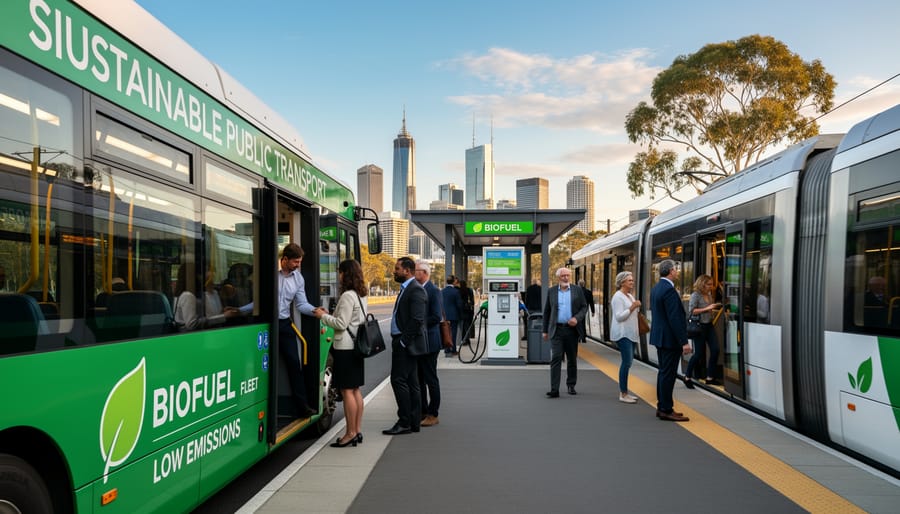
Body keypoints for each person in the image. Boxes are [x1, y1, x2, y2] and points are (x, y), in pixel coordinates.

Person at [232, 244, 316, 418]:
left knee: (294, 364)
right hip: (265, 324)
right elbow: (258, 303)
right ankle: (246, 407)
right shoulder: (270, 275)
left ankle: (302, 406)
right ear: (284, 259)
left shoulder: (298, 279)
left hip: (284, 324)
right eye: (296, 261)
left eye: (299, 261)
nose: (298, 265)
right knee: (257, 365)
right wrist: (239, 311)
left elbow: (301, 304)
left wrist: (315, 310)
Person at [314, 260, 367, 448]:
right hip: (357, 348)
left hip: (345, 349)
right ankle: (357, 430)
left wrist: (322, 316)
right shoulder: (361, 294)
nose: (339, 276)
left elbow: (341, 324)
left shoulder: (347, 296)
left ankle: (350, 433)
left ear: (346, 273)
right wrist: (330, 314)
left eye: (340, 272)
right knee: (355, 390)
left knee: (346, 392)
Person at [383, 256, 427, 435]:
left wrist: (402, 342)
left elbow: (417, 320)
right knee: (412, 382)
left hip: (406, 343)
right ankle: (413, 421)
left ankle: (405, 421)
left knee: (398, 380)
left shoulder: (415, 290)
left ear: (407, 271)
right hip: (405, 342)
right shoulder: (407, 288)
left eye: (397, 269)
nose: (394, 271)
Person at [649, 259, 691, 422]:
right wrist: (684, 342)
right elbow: (675, 318)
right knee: (668, 374)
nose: (677, 272)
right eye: (675, 269)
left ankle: (663, 407)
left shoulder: (657, 288)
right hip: (669, 340)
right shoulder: (669, 290)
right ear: (671, 271)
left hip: (661, 338)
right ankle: (666, 409)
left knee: (663, 373)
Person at [542, 267, 588, 397]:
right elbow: (547, 311)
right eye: (563, 276)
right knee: (556, 357)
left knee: (572, 359)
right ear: (558, 277)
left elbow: (584, 307)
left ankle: (571, 385)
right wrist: (545, 330)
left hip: (571, 330)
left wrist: (576, 318)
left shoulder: (577, 290)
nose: (566, 278)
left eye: (568, 275)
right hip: (556, 330)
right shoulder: (551, 291)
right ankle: (554, 389)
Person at [414, 261, 443, 427]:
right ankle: (423, 411)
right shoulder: (418, 289)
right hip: (420, 341)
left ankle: (433, 413)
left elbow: (436, 316)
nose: (413, 272)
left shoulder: (434, 291)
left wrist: (417, 322)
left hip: (430, 342)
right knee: (419, 378)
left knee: (430, 378)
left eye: (416, 270)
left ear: (424, 273)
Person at [684, 274, 723, 388]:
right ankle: (687, 376)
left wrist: (715, 307)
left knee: (715, 350)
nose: (711, 286)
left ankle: (710, 377)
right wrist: (708, 308)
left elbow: (709, 309)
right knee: (698, 354)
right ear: (702, 284)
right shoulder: (695, 295)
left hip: (709, 325)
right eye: (709, 284)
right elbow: (692, 311)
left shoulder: (709, 295)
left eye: (712, 284)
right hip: (699, 327)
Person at [610, 271, 640, 404]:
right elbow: (619, 317)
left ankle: (625, 391)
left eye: (632, 280)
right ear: (622, 282)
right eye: (629, 280)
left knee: (628, 363)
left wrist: (635, 306)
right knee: (626, 363)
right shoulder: (618, 297)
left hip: (631, 333)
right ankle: (623, 393)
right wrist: (633, 307)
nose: (632, 282)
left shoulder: (629, 296)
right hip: (623, 334)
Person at [442, 275, 462, 356]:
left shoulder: (442, 291)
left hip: (444, 316)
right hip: (454, 316)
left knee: (446, 333)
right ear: (454, 282)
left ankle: (447, 350)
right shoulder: (456, 292)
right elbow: (459, 305)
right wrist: (461, 314)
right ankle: (453, 350)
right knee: (453, 333)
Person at [458, 279, 475, 344]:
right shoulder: (469, 290)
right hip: (469, 311)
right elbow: (472, 301)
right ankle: (467, 339)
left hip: (462, 311)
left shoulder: (459, 291)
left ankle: (464, 339)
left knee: (462, 326)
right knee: (467, 325)